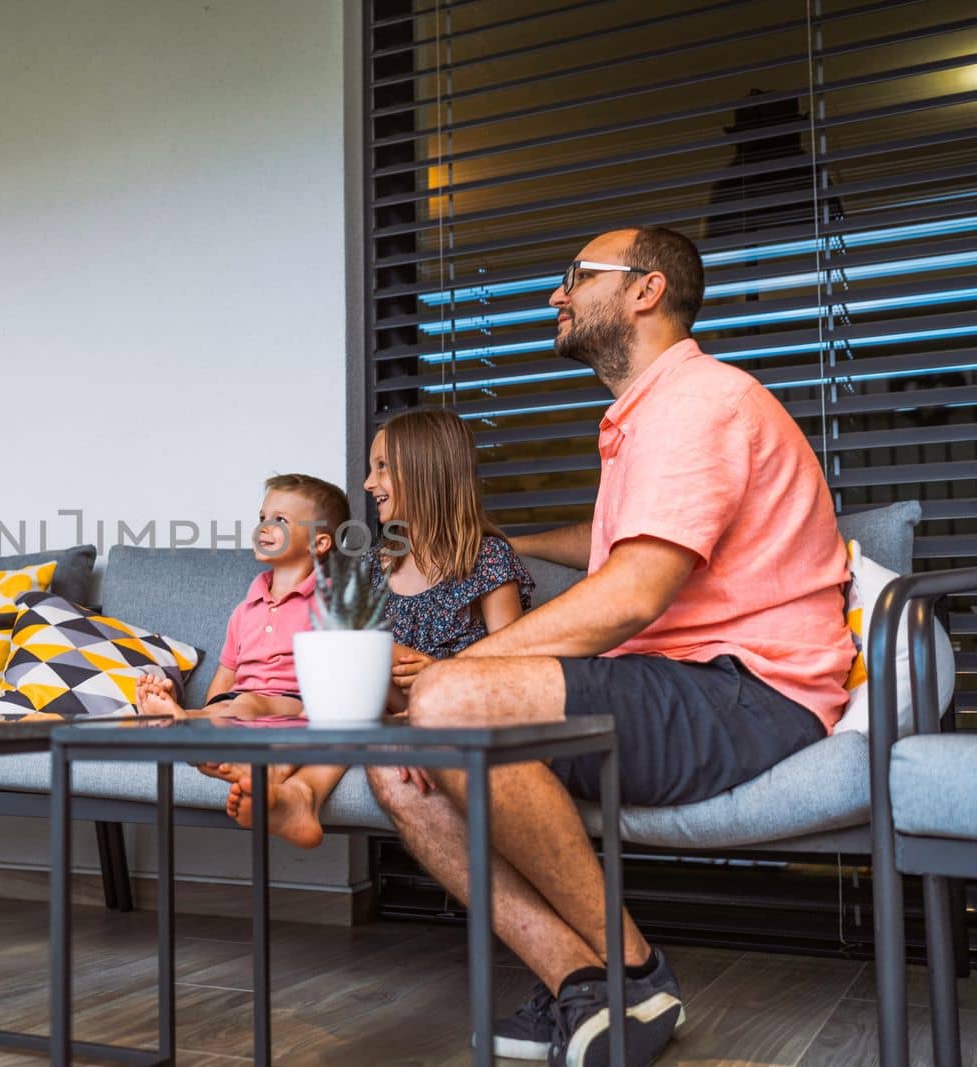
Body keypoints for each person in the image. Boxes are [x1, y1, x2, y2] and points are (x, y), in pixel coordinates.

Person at [366, 226, 854, 1066]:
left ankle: (634, 971)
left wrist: (455, 672)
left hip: (746, 693)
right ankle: (582, 987)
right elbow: (622, 555)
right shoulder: (644, 418)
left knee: (443, 702)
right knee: (390, 764)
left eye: (572, 277)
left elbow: (633, 593)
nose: (555, 296)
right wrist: (520, 537)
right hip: (674, 686)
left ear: (644, 290)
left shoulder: (702, 402)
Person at [216, 409, 534, 849]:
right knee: (352, 661)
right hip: (379, 713)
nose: (368, 484)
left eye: (382, 467)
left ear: (426, 471)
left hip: (458, 709)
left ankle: (291, 778)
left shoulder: (487, 560)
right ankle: (297, 791)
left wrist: (436, 685)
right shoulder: (370, 566)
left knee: (374, 654)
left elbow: (517, 666)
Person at [135, 474, 349, 720]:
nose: (263, 527)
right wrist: (211, 708)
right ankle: (184, 723)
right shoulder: (245, 609)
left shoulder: (330, 601)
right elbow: (226, 675)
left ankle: (184, 721)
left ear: (318, 544)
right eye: (262, 518)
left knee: (248, 702)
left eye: (280, 520)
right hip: (239, 701)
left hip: (296, 703)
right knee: (222, 708)